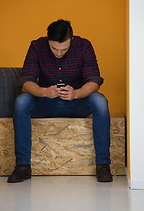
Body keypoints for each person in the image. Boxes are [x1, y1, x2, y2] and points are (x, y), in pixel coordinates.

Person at [7, 19, 113, 183]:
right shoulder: (37, 46)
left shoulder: (84, 46)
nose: (58, 53)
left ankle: (103, 165)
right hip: (45, 103)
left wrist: (76, 93)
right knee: (21, 101)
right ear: (48, 40)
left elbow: (94, 81)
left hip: (76, 103)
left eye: (63, 49)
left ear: (71, 39)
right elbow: (26, 82)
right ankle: (22, 167)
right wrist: (43, 91)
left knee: (99, 101)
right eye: (54, 48)